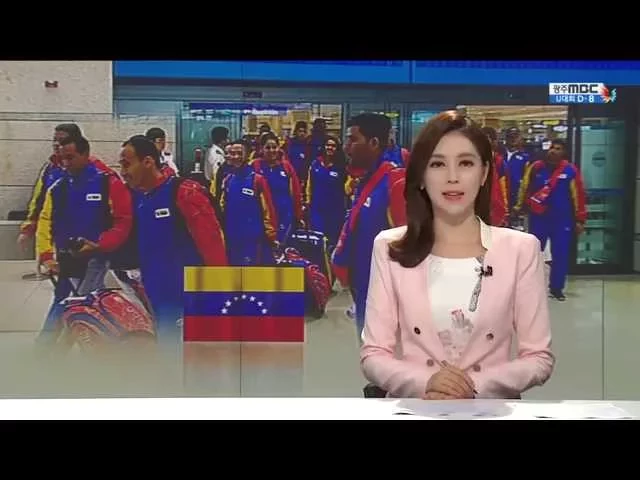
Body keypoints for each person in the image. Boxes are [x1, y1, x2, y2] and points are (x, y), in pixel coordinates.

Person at [360, 111, 554, 400]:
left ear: (484, 173)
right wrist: (426, 382)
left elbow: (539, 358)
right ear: (421, 176)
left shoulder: (521, 250)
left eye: (465, 163)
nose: (452, 178)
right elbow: (373, 355)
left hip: (490, 411)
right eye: (437, 164)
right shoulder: (389, 247)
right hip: (417, 408)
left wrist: (473, 386)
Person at [119, 135, 228, 342]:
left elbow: (213, 248)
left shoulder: (184, 193)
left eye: (127, 165)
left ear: (148, 162)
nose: (123, 172)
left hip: (188, 300)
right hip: (157, 297)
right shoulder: (141, 198)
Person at [37, 135, 133, 344]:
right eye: (62, 158)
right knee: (67, 302)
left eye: (70, 157)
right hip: (67, 258)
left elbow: (123, 220)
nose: (65, 163)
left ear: (85, 154)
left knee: (78, 304)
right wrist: (46, 256)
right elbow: (45, 221)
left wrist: (101, 245)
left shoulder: (108, 182)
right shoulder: (58, 187)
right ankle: (47, 350)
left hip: (97, 258)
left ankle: (51, 349)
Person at [331, 113, 406, 338]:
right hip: (363, 291)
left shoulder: (395, 184)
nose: (346, 147)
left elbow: (413, 251)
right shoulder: (365, 183)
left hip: (386, 301)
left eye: (353, 140)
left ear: (373, 142)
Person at [514, 139, 586, 301]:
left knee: (560, 254)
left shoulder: (570, 171)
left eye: (558, 148)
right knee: (532, 253)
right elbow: (524, 188)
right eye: (552, 147)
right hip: (538, 218)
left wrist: (580, 219)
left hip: (562, 220)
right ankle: (528, 287)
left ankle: (556, 288)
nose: (553, 151)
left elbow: (579, 196)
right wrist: (519, 207)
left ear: (564, 152)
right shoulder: (536, 167)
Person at [219, 139, 279, 265]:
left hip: (252, 239)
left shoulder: (257, 180)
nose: (236, 157)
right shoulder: (228, 180)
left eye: (239, 153)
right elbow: (222, 207)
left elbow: (267, 211)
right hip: (232, 237)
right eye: (232, 153)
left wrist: (271, 236)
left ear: (247, 155)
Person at [251, 132, 304, 244]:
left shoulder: (286, 166)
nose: (271, 150)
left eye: (274, 147)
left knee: (283, 247)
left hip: (284, 214)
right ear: (262, 149)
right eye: (268, 147)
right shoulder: (255, 165)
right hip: (262, 216)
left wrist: (298, 215)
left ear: (279, 148)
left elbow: (296, 192)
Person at [305, 135, 347, 252]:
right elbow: (309, 185)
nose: (330, 148)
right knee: (318, 239)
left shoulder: (341, 167)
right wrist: (308, 202)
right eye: (328, 145)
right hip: (317, 209)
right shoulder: (315, 164)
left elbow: (347, 189)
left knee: (332, 242)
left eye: (333, 146)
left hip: (335, 212)